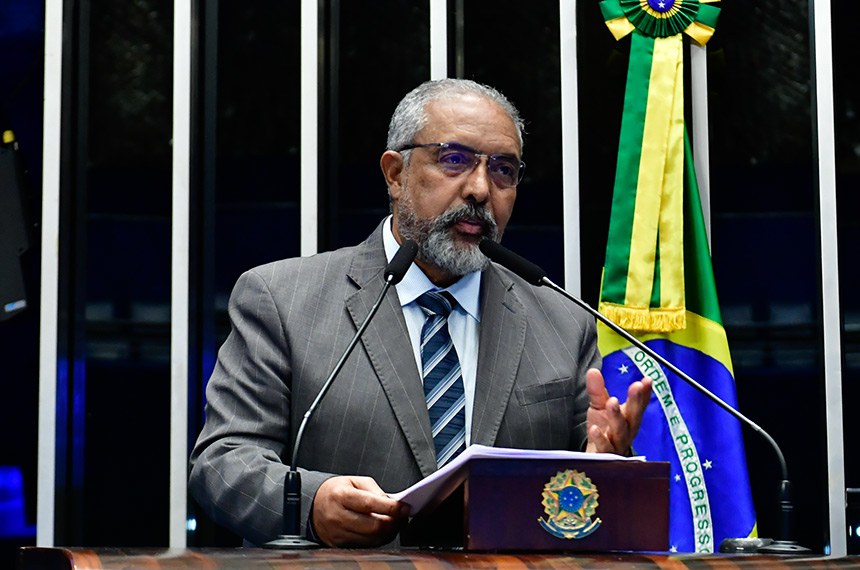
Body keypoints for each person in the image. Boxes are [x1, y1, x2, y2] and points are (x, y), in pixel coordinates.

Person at [188, 78, 652, 548]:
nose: (479, 189)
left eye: (503, 170)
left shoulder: (562, 321)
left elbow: (584, 497)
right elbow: (223, 461)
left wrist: (608, 464)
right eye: (454, 160)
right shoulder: (282, 299)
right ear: (395, 173)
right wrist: (312, 504)